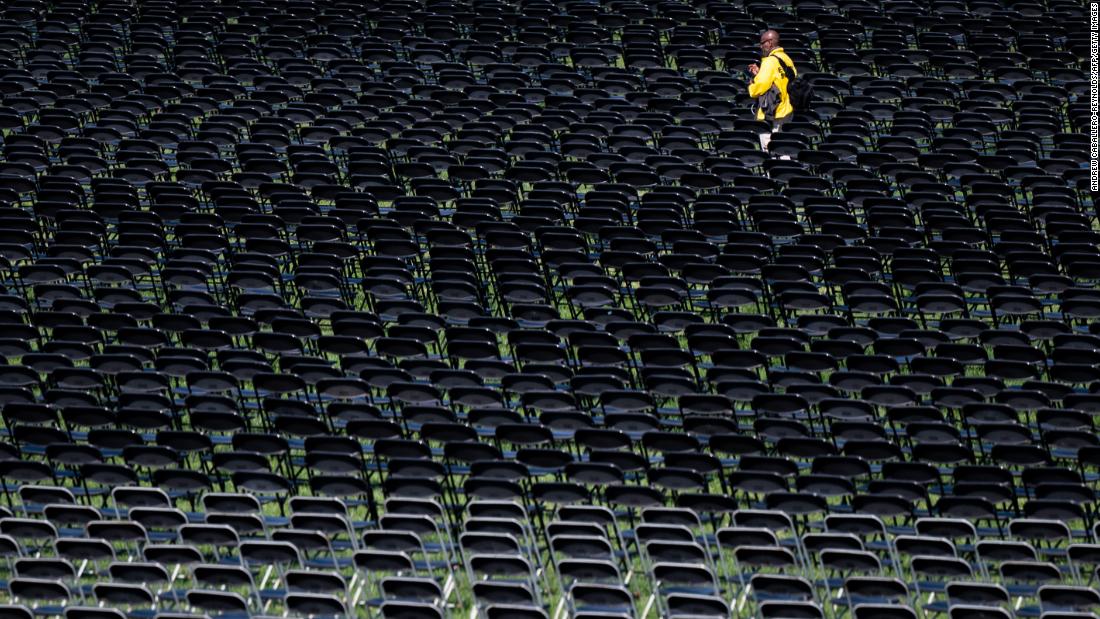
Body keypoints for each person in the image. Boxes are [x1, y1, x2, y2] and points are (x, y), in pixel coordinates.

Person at [747, 29, 796, 158]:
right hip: (786, 110)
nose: (761, 46)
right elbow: (781, 80)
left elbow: (760, 87)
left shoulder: (769, 61)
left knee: (770, 150)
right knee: (784, 148)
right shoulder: (786, 58)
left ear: (769, 43)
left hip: (771, 111)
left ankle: (773, 176)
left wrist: (752, 85)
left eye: (762, 43)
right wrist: (759, 73)